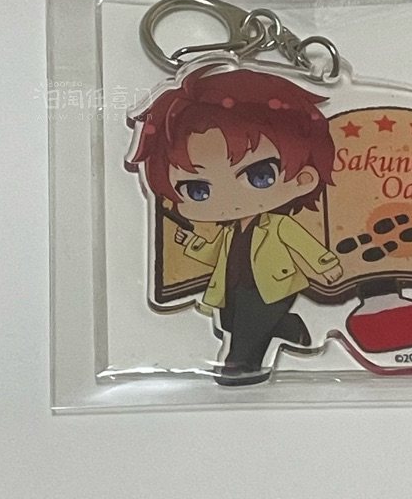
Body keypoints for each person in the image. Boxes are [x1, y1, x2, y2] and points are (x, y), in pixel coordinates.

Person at [127, 65, 343, 385]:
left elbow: (303, 243)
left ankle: (241, 366)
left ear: (303, 178)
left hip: (273, 285)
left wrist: (325, 264)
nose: (231, 199)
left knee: (246, 330)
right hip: (234, 287)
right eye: (198, 190)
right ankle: (287, 328)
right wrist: (192, 244)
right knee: (229, 322)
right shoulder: (229, 231)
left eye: (260, 176)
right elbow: (215, 253)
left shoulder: (278, 225)